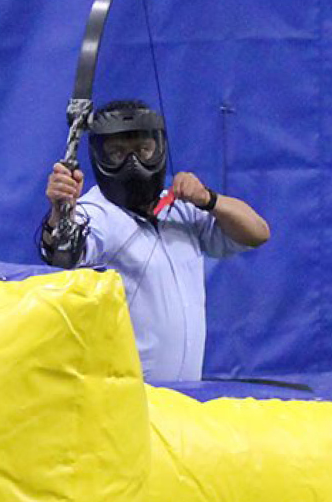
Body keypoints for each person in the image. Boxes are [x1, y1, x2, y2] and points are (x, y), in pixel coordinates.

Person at [39, 99, 270, 382]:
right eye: (117, 153)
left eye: (143, 150)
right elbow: (63, 254)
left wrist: (208, 199)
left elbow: (257, 233)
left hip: (183, 401)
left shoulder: (181, 208)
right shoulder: (95, 212)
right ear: (99, 155)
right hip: (124, 400)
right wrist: (60, 210)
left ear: (159, 148)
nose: (132, 162)